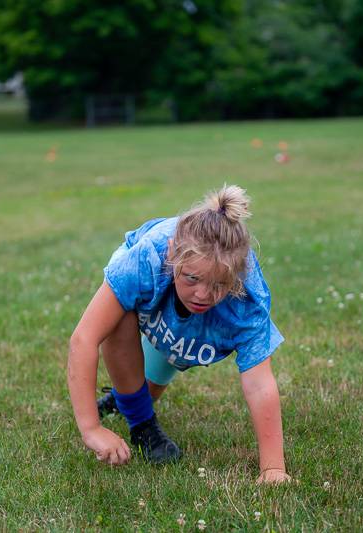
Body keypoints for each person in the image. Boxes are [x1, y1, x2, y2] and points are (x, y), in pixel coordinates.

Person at [67, 185, 292, 484]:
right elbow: (84, 338)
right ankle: (141, 423)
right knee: (118, 320)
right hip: (153, 285)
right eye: (192, 278)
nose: (202, 294)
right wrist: (91, 429)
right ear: (173, 253)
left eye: (217, 285)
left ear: (236, 277)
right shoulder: (149, 256)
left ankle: (125, 399)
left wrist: (273, 468)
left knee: (173, 351)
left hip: (184, 328)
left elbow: (260, 384)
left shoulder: (248, 298)